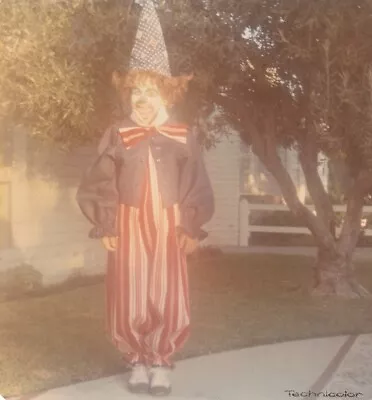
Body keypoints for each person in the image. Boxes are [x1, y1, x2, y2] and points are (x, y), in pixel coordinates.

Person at [76, 0, 214, 396]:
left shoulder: (182, 136)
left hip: (170, 220)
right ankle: (135, 357)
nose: (143, 99)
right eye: (137, 91)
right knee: (130, 286)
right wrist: (104, 222)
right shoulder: (118, 134)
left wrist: (192, 224)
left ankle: (162, 358)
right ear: (128, 96)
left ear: (166, 96)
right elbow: (101, 179)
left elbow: (196, 181)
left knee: (167, 287)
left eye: (151, 92)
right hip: (129, 220)